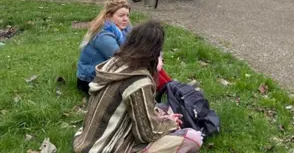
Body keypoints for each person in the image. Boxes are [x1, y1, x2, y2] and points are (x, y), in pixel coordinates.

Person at [73, 21, 203, 153]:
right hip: (106, 148)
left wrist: (162, 118)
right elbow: (146, 134)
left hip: (85, 142)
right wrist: (170, 124)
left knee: (164, 109)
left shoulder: (115, 62)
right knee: (193, 138)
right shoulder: (138, 80)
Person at [76, 0, 131, 93]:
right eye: (121, 15)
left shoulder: (124, 29)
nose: (125, 19)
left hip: (107, 73)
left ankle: (164, 88)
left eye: (127, 15)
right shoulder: (103, 35)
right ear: (109, 16)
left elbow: (143, 43)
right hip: (90, 80)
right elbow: (120, 59)